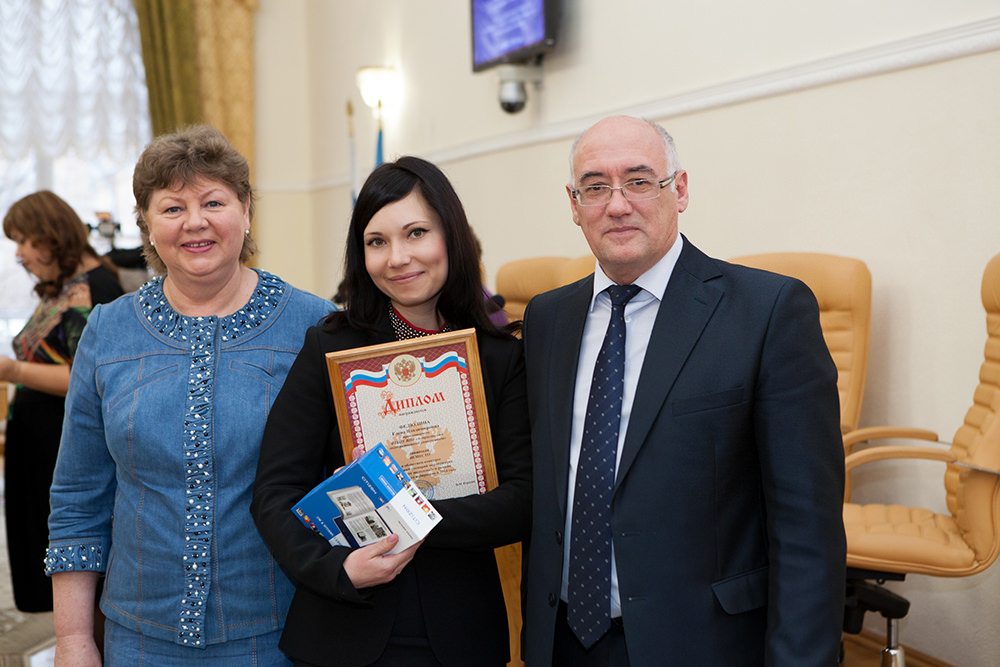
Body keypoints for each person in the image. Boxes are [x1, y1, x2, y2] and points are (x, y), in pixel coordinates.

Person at [520, 115, 846, 666]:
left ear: (681, 190)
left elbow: (806, 529)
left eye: (640, 181)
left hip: (703, 644)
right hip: (563, 641)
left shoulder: (768, 312)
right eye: (595, 187)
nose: (617, 205)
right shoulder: (547, 319)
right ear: (574, 205)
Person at [44, 125, 333, 665]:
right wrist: (73, 639)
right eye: (172, 208)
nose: (195, 222)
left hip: (280, 633)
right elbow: (78, 498)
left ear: (246, 211)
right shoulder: (107, 332)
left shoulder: (314, 326)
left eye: (213, 202)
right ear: (147, 226)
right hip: (137, 636)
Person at [251, 156, 531, 667]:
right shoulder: (331, 347)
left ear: (451, 236)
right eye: (376, 241)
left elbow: (521, 500)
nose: (397, 258)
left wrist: (401, 514)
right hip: (343, 625)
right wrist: (336, 569)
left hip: (462, 633)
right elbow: (273, 493)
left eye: (416, 233)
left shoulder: (499, 356)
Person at [0, 191, 123, 613]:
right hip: (38, 441)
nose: (19, 253)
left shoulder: (93, 287)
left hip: (61, 441)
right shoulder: (64, 286)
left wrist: (12, 371)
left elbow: (87, 377)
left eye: (24, 240)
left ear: (51, 235)